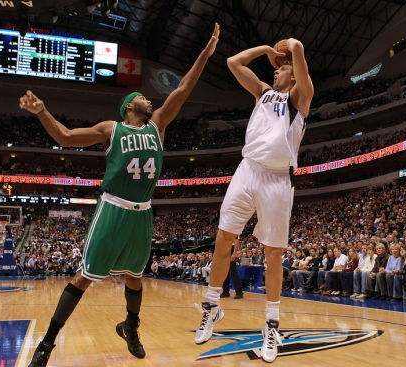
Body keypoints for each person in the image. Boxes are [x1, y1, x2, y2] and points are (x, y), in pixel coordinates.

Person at [25, 23, 220, 366]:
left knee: (135, 275)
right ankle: (47, 343)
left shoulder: (158, 125)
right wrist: (42, 111)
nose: (150, 99)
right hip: (113, 208)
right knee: (84, 278)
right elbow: (68, 137)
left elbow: (185, 88)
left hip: (142, 212)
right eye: (143, 98)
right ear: (130, 106)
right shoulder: (111, 128)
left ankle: (131, 326)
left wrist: (206, 52)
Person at [194, 38, 314, 363]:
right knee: (223, 238)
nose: (277, 73)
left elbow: (301, 60)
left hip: (277, 179)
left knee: (272, 255)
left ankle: (271, 326)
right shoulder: (262, 92)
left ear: (292, 73)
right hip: (247, 170)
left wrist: (293, 46)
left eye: (283, 69)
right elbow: (234, 62)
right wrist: (265, 50)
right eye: (277, 70)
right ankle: (211, 306)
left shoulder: (299, 98)